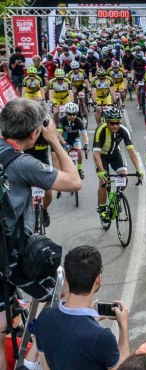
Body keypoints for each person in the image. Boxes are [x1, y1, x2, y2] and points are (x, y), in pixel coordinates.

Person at [0, 100, 82, 370]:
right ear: (34, 133)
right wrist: (55, 139)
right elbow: (74, 181)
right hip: (11, 255)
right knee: (65, 294)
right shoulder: (22, 163)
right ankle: (39, 355)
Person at [34, 246, 131, 370]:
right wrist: (123, 327)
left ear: (67, 279)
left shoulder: (44, 318)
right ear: (98, 280)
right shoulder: (101, 337)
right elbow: (124, 367)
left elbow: (45, 363)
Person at [93, 107, 144, 222]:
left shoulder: (123, 130)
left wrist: (138, 169)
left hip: (115, 155)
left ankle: (114, 201)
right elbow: (95, 154)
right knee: (103, 181)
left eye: (118, 123)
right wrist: (101, 171)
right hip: (102, 156)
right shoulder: (100, 130)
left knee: (124, 178)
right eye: (112, 123)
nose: (115, 126)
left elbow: (131, 152)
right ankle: (102, 209)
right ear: (107, 122)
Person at [57, 102, 89, 179]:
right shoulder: (62, 120)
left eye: (74, 114)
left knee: (79, 150)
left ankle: (80, 169)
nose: (72, 116)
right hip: (65, 140)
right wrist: (64, 144)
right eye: (70, 114)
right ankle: (65, 171)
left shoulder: (79, 121)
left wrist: (86, 144)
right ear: (66, 114)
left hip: (75, 138)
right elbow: (59, 135)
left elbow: (84, 134)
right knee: (64, 156)